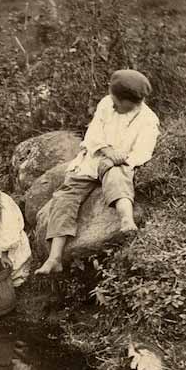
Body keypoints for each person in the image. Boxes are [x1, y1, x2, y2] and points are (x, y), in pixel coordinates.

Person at [36, 69, 160, 276]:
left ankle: (126, 220)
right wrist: (105, 151)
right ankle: (54, 257)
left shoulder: (148, 120)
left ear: (134, 102)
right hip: (93, 160)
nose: (113, 104)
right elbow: (93, 134)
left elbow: (143, 152)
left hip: (118, 165)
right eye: (112, 99)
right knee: (65, 196)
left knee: (117, 178)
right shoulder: (106, 104)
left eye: (118, 102)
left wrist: (115, 160)